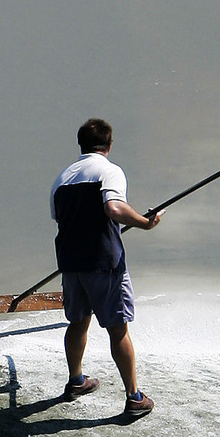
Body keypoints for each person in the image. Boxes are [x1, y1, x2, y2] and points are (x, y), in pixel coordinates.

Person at [51, 116, 161, 419]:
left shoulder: (61, 179)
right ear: (109, 145)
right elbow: (112, 207)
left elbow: (62, 220)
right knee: (118, 330)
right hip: (103, 264)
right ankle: (134, 397)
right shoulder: (109, 171)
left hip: (71, 265)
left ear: (81, 145)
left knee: (78, 323)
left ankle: (76, 381)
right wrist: (144, 222)